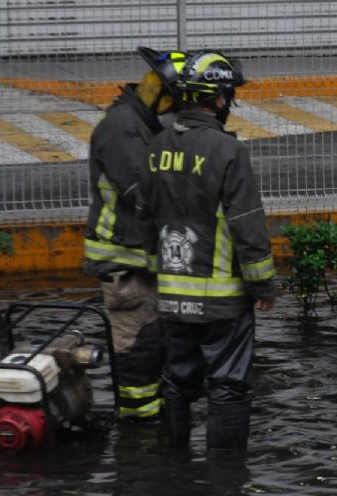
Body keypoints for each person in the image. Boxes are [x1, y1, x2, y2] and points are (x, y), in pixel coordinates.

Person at [139, 50, 277, 452]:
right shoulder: (228, 151)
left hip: (173, 296)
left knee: (177, 382)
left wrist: (159, 275)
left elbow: (144, 220)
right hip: (222, 303)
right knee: (229, 387)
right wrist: (263, 286)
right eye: (228, 94)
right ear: (217, 98)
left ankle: (175, 469)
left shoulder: (156, 147)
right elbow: (247, 225)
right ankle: (227, 483)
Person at [83, 47, 187, 421]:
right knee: (137, 349)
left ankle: (151, 424)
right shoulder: (122, 128)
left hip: (136, 259)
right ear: (161, 94)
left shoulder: (138, 123)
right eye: (176, 100)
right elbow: (142, 191)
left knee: (152, 344)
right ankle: (139, 435)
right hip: (123, 261)